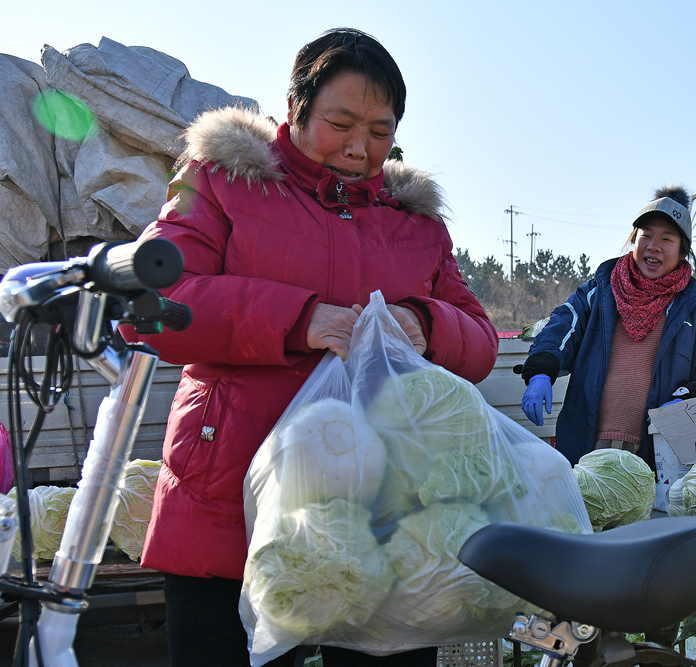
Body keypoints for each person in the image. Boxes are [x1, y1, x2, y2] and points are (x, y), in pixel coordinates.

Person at [123, 28, 498, 667]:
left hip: (381, 510)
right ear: (295, 107)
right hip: (227, 499)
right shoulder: (220, 180)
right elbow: (149, 305)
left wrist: (426, 324)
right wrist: (298, 319)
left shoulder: (416, 222)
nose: (360, 148)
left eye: (381, 131)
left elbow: (481, 340)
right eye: (341, 122)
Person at [518, 185, 696, 468]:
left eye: (667, 239)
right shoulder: (599, 293)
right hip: (586, 447)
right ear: (633, 241)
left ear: (683, 252)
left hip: (659, 454)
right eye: (646, 235)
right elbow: (562, 326)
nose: (653, 245)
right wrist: (540, 371)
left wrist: (688, 401)